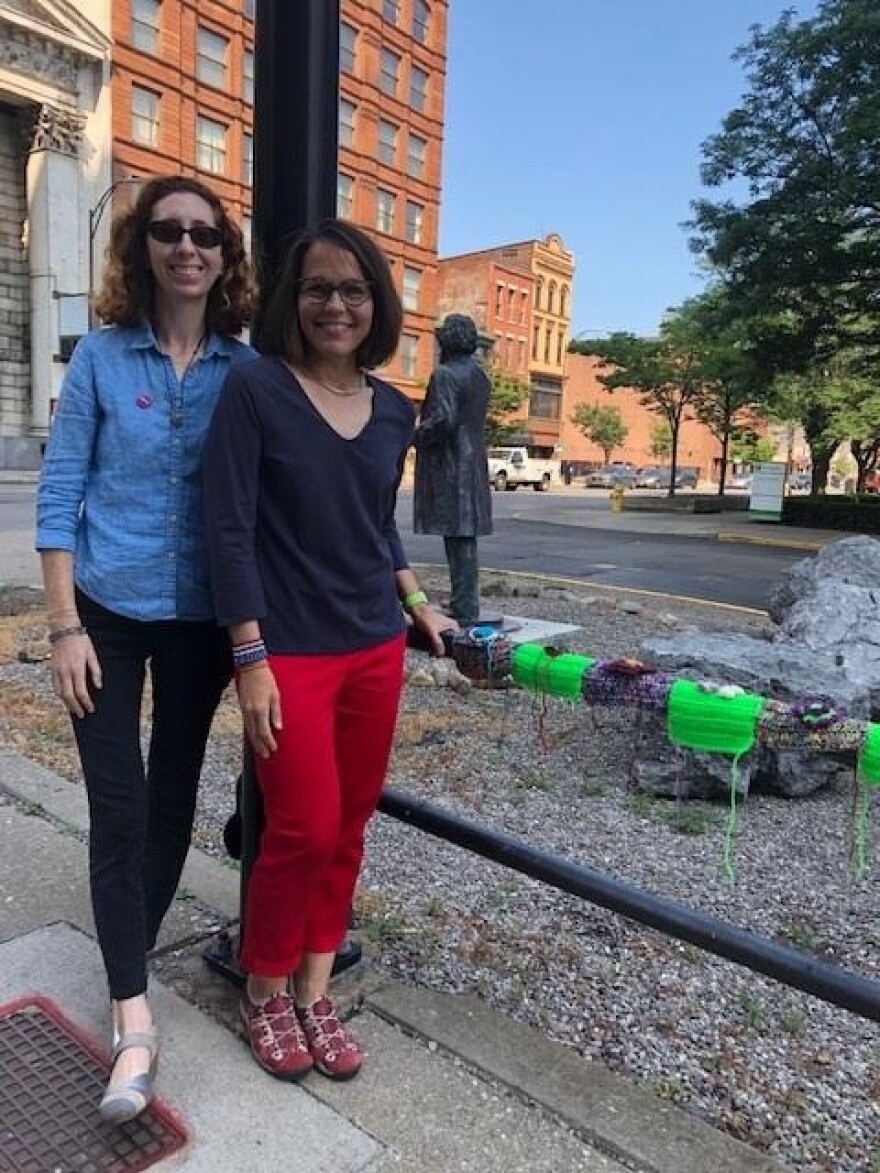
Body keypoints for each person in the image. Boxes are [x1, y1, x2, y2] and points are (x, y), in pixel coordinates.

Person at [203, 218, 453, 1083]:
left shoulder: (395, 410)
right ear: (292, 300)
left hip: (374, 650)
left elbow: (372, 523)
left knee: (348, 823)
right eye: (316, 288)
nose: (334, 305)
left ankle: (316, 988)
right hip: (290, 653)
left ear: (376, 303)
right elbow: (227, 531)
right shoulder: (256, 389)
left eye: (353, 290)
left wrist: (421, 604)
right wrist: (249, 657)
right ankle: (264, 988)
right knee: (301, 826)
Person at [35, 175, 255, 1122]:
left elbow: (269, 504)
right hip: (108, 613)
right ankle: (134, 1012)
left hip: (203, 620)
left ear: (225, 256)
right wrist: (63, 626)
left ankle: (127, 951)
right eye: (168, 231)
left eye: (205, 234)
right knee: (117, 806)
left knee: (171, 802)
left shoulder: (243, 374)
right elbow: (58, 497)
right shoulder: (97, 360)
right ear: (144, 248)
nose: (187, 247)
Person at [412, 313, 492, 625]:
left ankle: (466, 607)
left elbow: (443, 419)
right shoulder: (481, 376)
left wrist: (414, 436)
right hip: (473, 462)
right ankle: (465, 602)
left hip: (453, 463)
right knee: (463, 537)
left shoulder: (445, 374)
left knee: (458, 538)